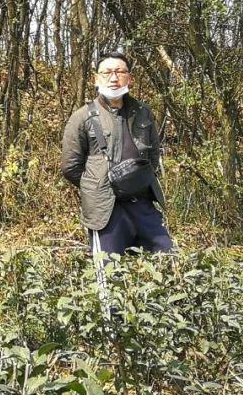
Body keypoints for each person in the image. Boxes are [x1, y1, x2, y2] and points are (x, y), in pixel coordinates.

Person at [60, 50, 174, 255]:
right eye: (107, 72)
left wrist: (136, 182)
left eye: (120, 72)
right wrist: (98, 185)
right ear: (96, 78)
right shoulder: (82, 117)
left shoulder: (143, 112)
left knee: (168, 258)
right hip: (106, 210)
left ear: (129, 78)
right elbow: (70, 167)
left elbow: (153, 156)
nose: (113, 78)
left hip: (142, 205)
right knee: (108, 273)